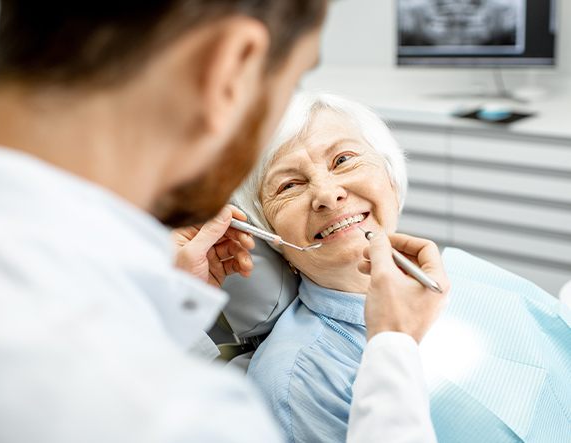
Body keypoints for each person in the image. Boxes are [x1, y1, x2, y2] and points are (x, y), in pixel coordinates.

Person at [0, 2, 448, 442]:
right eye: (295, 80)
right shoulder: (185, 414)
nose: (327, 193)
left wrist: (162, 305)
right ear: (231, 67)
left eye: (344, 158)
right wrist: (393, 348)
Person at [234, 91, 571, 443]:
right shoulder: (297, 379)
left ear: (390, 176)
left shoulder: (468, 272)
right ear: (268, 232)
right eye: (289, 185)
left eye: (343, 159)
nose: (328, 193)